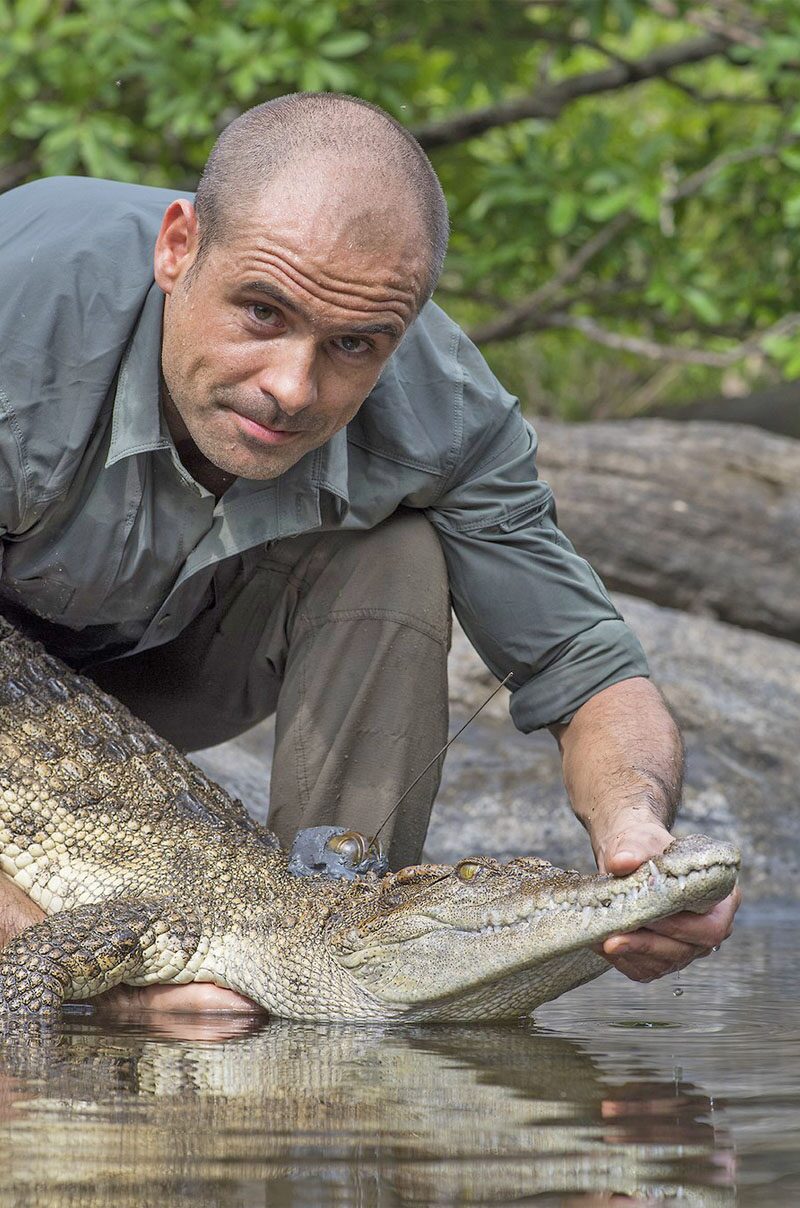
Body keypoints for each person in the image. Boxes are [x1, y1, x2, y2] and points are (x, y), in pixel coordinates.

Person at [0, 92, 738, 1013]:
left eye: (354, 344)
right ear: (178, 246)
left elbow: (589, 672)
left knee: (396, 552)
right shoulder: (20, 312)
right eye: (262, 312)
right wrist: (48, 945)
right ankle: (175, 988)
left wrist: (639, 834)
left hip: (158, 675)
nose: (291, 388)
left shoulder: (447, 405)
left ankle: (320, 933)